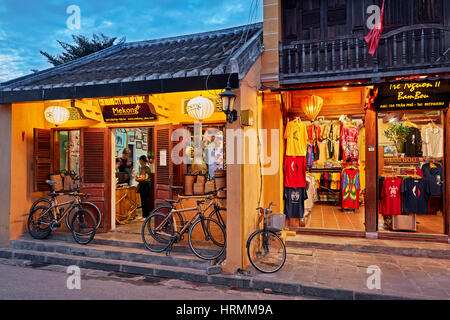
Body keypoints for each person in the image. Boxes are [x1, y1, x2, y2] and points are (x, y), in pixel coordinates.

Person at [135, 155, 152, 222]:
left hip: (144, 185)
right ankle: (145, 215)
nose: (139, 161)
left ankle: (145, 216)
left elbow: (142, 177)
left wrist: (136, 179)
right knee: (146, 201)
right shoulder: (148, 167)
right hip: (147, 185)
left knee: (144, 201)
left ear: (142, 160)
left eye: (139, 160)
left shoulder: (143, 167)